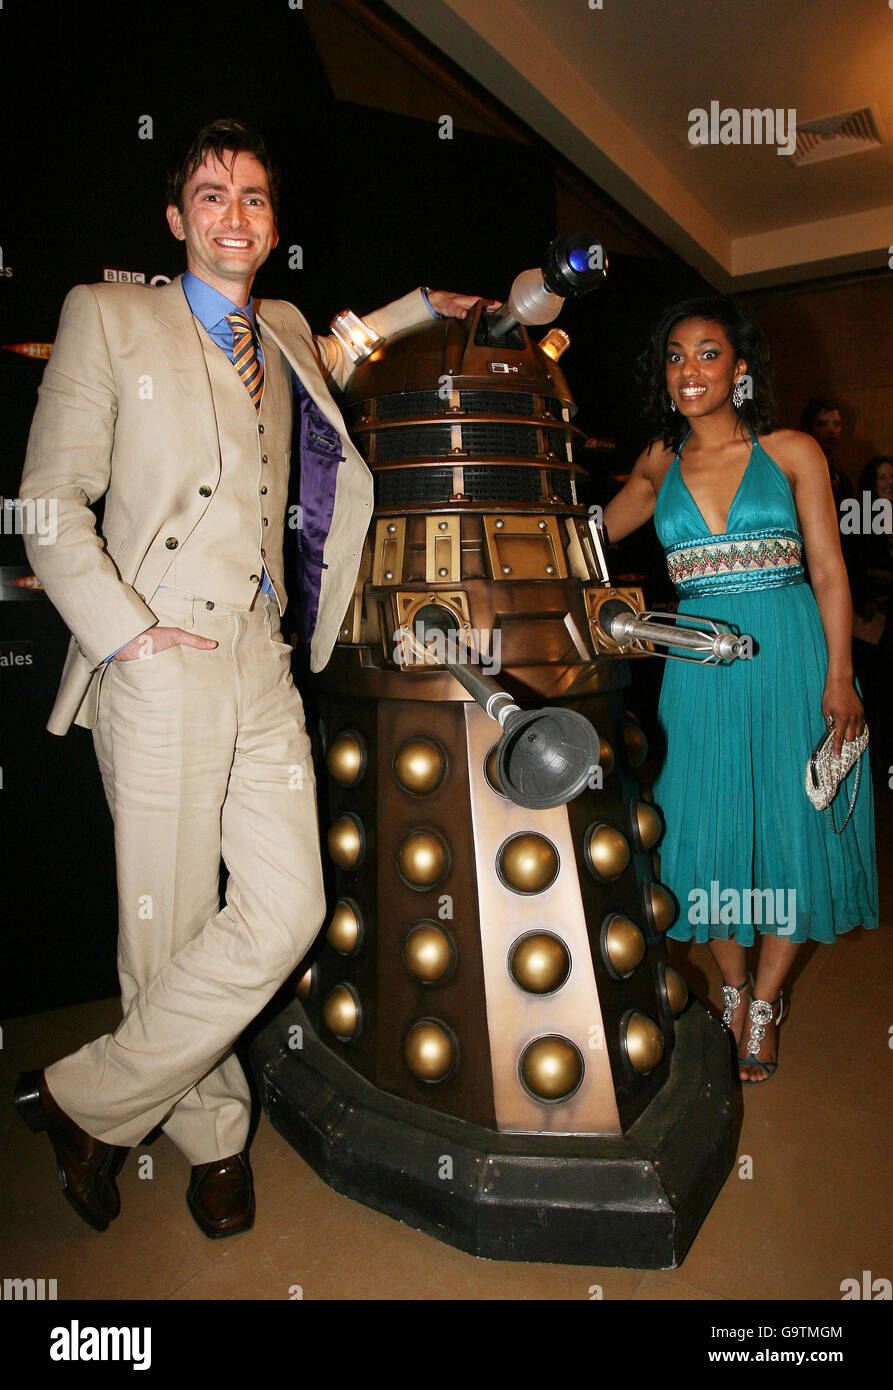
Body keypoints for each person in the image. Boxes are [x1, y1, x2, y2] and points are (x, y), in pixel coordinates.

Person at [14, 118, 486, 1236]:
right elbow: (47, 505)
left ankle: (87, 1099)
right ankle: (213, 1137)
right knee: (167, 923)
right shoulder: (108, 315)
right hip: (159, 651)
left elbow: (345, 343)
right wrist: (126, 634)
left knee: (288, 908)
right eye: (212, 195)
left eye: (256, 198)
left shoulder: (275, 325)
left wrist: (434, 307)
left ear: (276, 225)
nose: (236, 214)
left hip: (266, 660)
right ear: (177, 219)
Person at [603, 296, 878, 1084]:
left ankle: (763, 1001)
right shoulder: (659, 461)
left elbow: (828, 572)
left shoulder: (791, 450)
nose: (689, 370)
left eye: (708, 354)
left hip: (791, 654)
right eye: (675, 356)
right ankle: (728, 987)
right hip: (699, 668)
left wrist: (837, 676)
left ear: (741, 368)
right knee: (703, 823)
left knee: (791, 825)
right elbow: (587, 533)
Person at [801, 396, 850, 513]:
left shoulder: (842, 481)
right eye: (823, 424)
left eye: (836, 424)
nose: (831, 430)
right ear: (808, 428)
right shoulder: (798, 473)